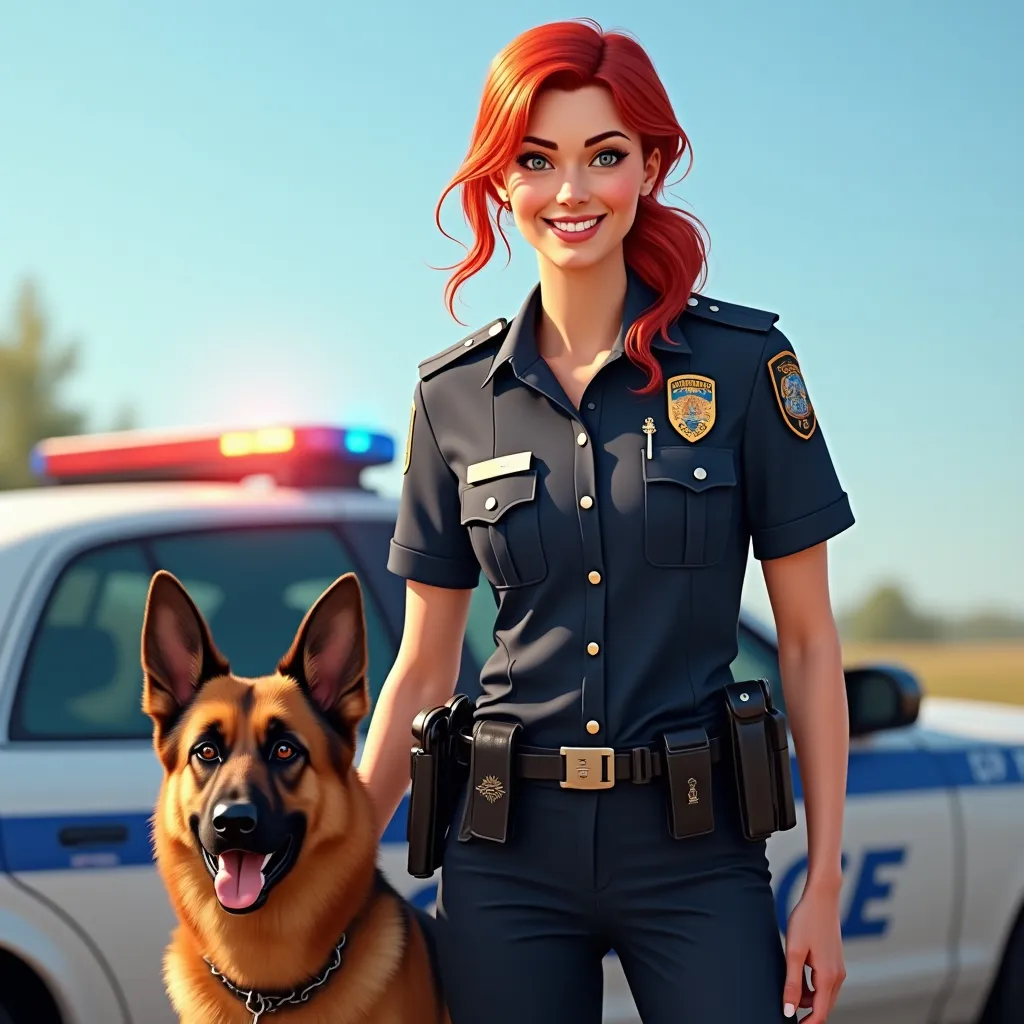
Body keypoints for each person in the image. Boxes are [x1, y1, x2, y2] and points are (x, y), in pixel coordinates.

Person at [357, 17, 852, 1024]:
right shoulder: (451, 397)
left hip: (695, 853)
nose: (571, 192)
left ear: (651, 165)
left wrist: (826, 885)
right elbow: (420, 665)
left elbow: (805, 643)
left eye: (605, 155)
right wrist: (334, 864)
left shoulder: (744, 369)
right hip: (504, 853)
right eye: (536, 160)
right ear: (500, 180)